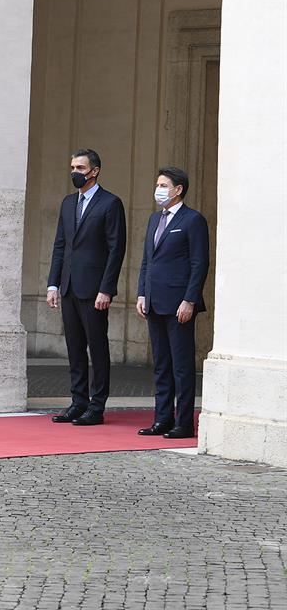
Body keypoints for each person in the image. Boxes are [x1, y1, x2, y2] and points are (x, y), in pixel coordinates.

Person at [46, 148, 126, 426]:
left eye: (80, 168)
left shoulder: (110, 203)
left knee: (97, 347)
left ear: (95, 171)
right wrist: (53, 284)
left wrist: (107, 289)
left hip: (94, 290)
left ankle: (96, 405)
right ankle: (77, 402)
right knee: (75, 347)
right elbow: (60, 245)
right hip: (68, 286)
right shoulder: (68, 203)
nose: (75, 173)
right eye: (72, 168)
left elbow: (116, 249)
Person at [137, 166, 209, 439]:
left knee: (181, 366)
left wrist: (189, 299)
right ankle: (162, 419)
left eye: (164, 185)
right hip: (154, 302)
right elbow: (147, 261)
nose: (159, 190)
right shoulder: (155, 220)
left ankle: (184, 423)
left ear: (178, 190)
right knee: (161, 365)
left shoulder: (193, 220)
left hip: (179, 304)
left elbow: (199, 263)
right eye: (158, 185)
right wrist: (142, 293)